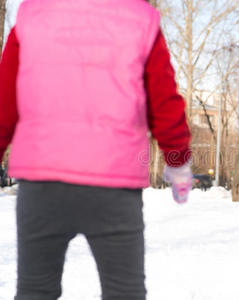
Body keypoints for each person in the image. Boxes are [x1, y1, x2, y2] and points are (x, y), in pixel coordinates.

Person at [0, 1, 192, 299]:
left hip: (42, 182)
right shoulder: (139, 18)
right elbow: (164, 101)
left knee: (35, 290)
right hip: (113, 185)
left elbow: (4, 102)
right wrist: (178, 163)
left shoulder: (33, 14)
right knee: (124, 291)